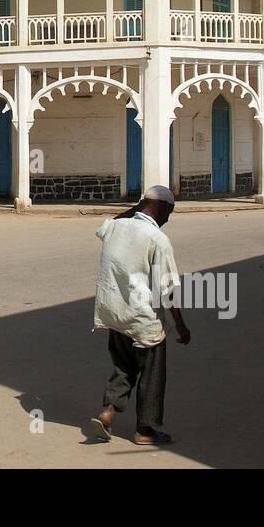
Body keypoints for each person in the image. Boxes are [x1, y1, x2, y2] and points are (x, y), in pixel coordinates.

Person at [88, 184, 190, 444]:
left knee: (123, 366)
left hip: (115, 314)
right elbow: (167, 290)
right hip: (144, 319)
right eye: (170, 211)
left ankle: (108, 411)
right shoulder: (158, 240)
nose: (169, 218)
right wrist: (180, 326)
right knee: (152, 374)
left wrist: (140, 206)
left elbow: (114, 221)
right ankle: (145, 430)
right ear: (162, 207)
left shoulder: (115, 227)